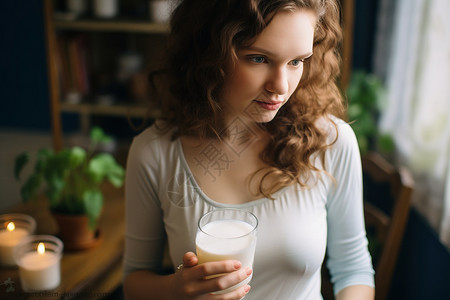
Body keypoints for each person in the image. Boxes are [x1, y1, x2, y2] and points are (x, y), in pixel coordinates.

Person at [123, 0, 375, 299]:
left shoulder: (331, 143)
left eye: (296, 61)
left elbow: (354, 269)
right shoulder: (154, 154)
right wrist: (175, 290)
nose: (280, 86)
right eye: (258, 58)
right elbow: (134, 282)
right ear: (208, 51)